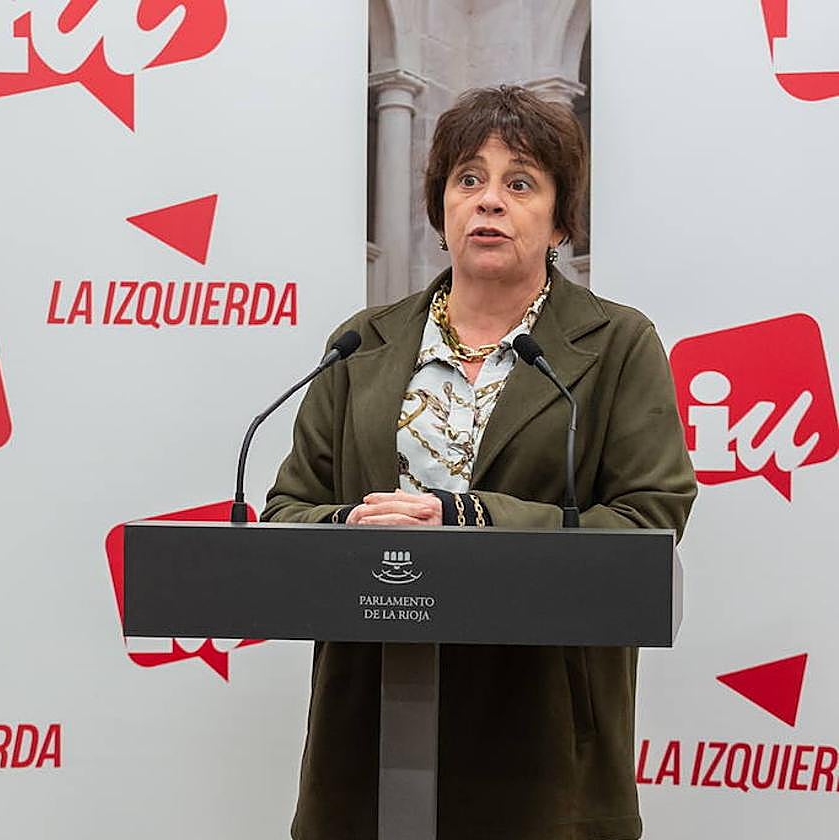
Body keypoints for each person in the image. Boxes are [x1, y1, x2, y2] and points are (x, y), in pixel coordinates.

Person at [263, 85, 696, 840]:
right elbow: (288, 510)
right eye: (468, 179)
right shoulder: (362, 343)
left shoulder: (617, 344)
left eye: (519, 183)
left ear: (560, 220)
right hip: (367, 722)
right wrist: (361, 525)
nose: (488, 201)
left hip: (542, 728)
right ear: (442, 209)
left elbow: (647, 518)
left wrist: (470, 515)